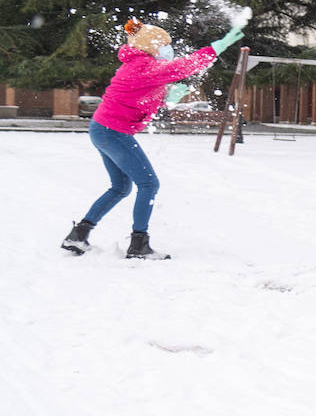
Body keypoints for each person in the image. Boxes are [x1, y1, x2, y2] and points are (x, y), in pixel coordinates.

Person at [61, 18, 245, 259]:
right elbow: (183, 67)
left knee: (120, 187)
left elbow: (143, 96)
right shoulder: (144, 66)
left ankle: (78, 235)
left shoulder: (140, 66)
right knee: (149, 184)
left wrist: (170, 95)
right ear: (152, 46)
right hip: (113, 132)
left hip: (103, 129)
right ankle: (138, 245)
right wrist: (215, 49)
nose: (169, 49)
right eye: (165, 45)